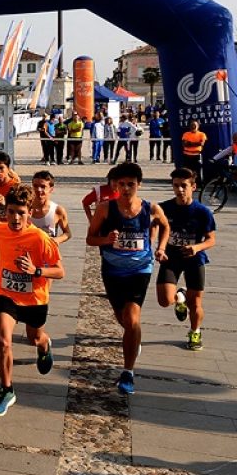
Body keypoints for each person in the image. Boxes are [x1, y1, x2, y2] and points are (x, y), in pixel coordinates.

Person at [86, 162, 169, 395]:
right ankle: (134, 341)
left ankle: (128, 372)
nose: (125, 189)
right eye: (121, 184)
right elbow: (90, 239)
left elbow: (165, 226)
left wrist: (160, 248)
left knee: (132, 320)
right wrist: (106, 240)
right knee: (122, 318)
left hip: (140, 270)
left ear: (139, 185)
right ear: (114, 185)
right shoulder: (104, 208)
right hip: (112, 270)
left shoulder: (150, 208)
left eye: (130, 184)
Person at [0, 184, 64, 416]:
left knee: (34, 337)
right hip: (6, 294)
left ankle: (45, 345)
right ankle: (6, 389)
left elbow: (59, 271)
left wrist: (36, 270)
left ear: (29, 213)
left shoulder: (39, 238)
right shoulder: (0, 229)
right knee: (3, 340)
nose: (15, 218)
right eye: (11, 212)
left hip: (34, 299)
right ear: (5, 211)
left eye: (21, 213)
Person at [156, 168, 215, 351]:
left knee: (195, 303)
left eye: (184, 186)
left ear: (193, 187)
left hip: (194, 259)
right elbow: (153, 226)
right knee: (165, 300)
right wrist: (159, 247)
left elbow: (211, 239)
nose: (180, 189)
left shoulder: (202, 212)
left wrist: (196, 247)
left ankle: (195, 331)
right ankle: (179, 297)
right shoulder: (164, 208)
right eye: (176, 186)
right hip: (171, 257)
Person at [29, 171, 72, 244]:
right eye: (35, 186)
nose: (39, 190)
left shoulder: (57, 210)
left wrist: (57, 240)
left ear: (51, 189)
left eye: (43, 187)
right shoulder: (25, 208)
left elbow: (67, 233)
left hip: (48, 252)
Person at [181, 120, 207, 184]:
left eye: (195, 125)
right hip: (187, 155)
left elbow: (201, 144)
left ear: (198, 126)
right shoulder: (186, 134)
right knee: (187, 170)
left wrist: (190, 143)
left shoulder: (202, 134)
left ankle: (198, 183)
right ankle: (187, 183)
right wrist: (196, 143)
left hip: (197, 155)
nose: (193, 126)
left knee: (197, 170)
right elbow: (184, 144)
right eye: (192, 125)